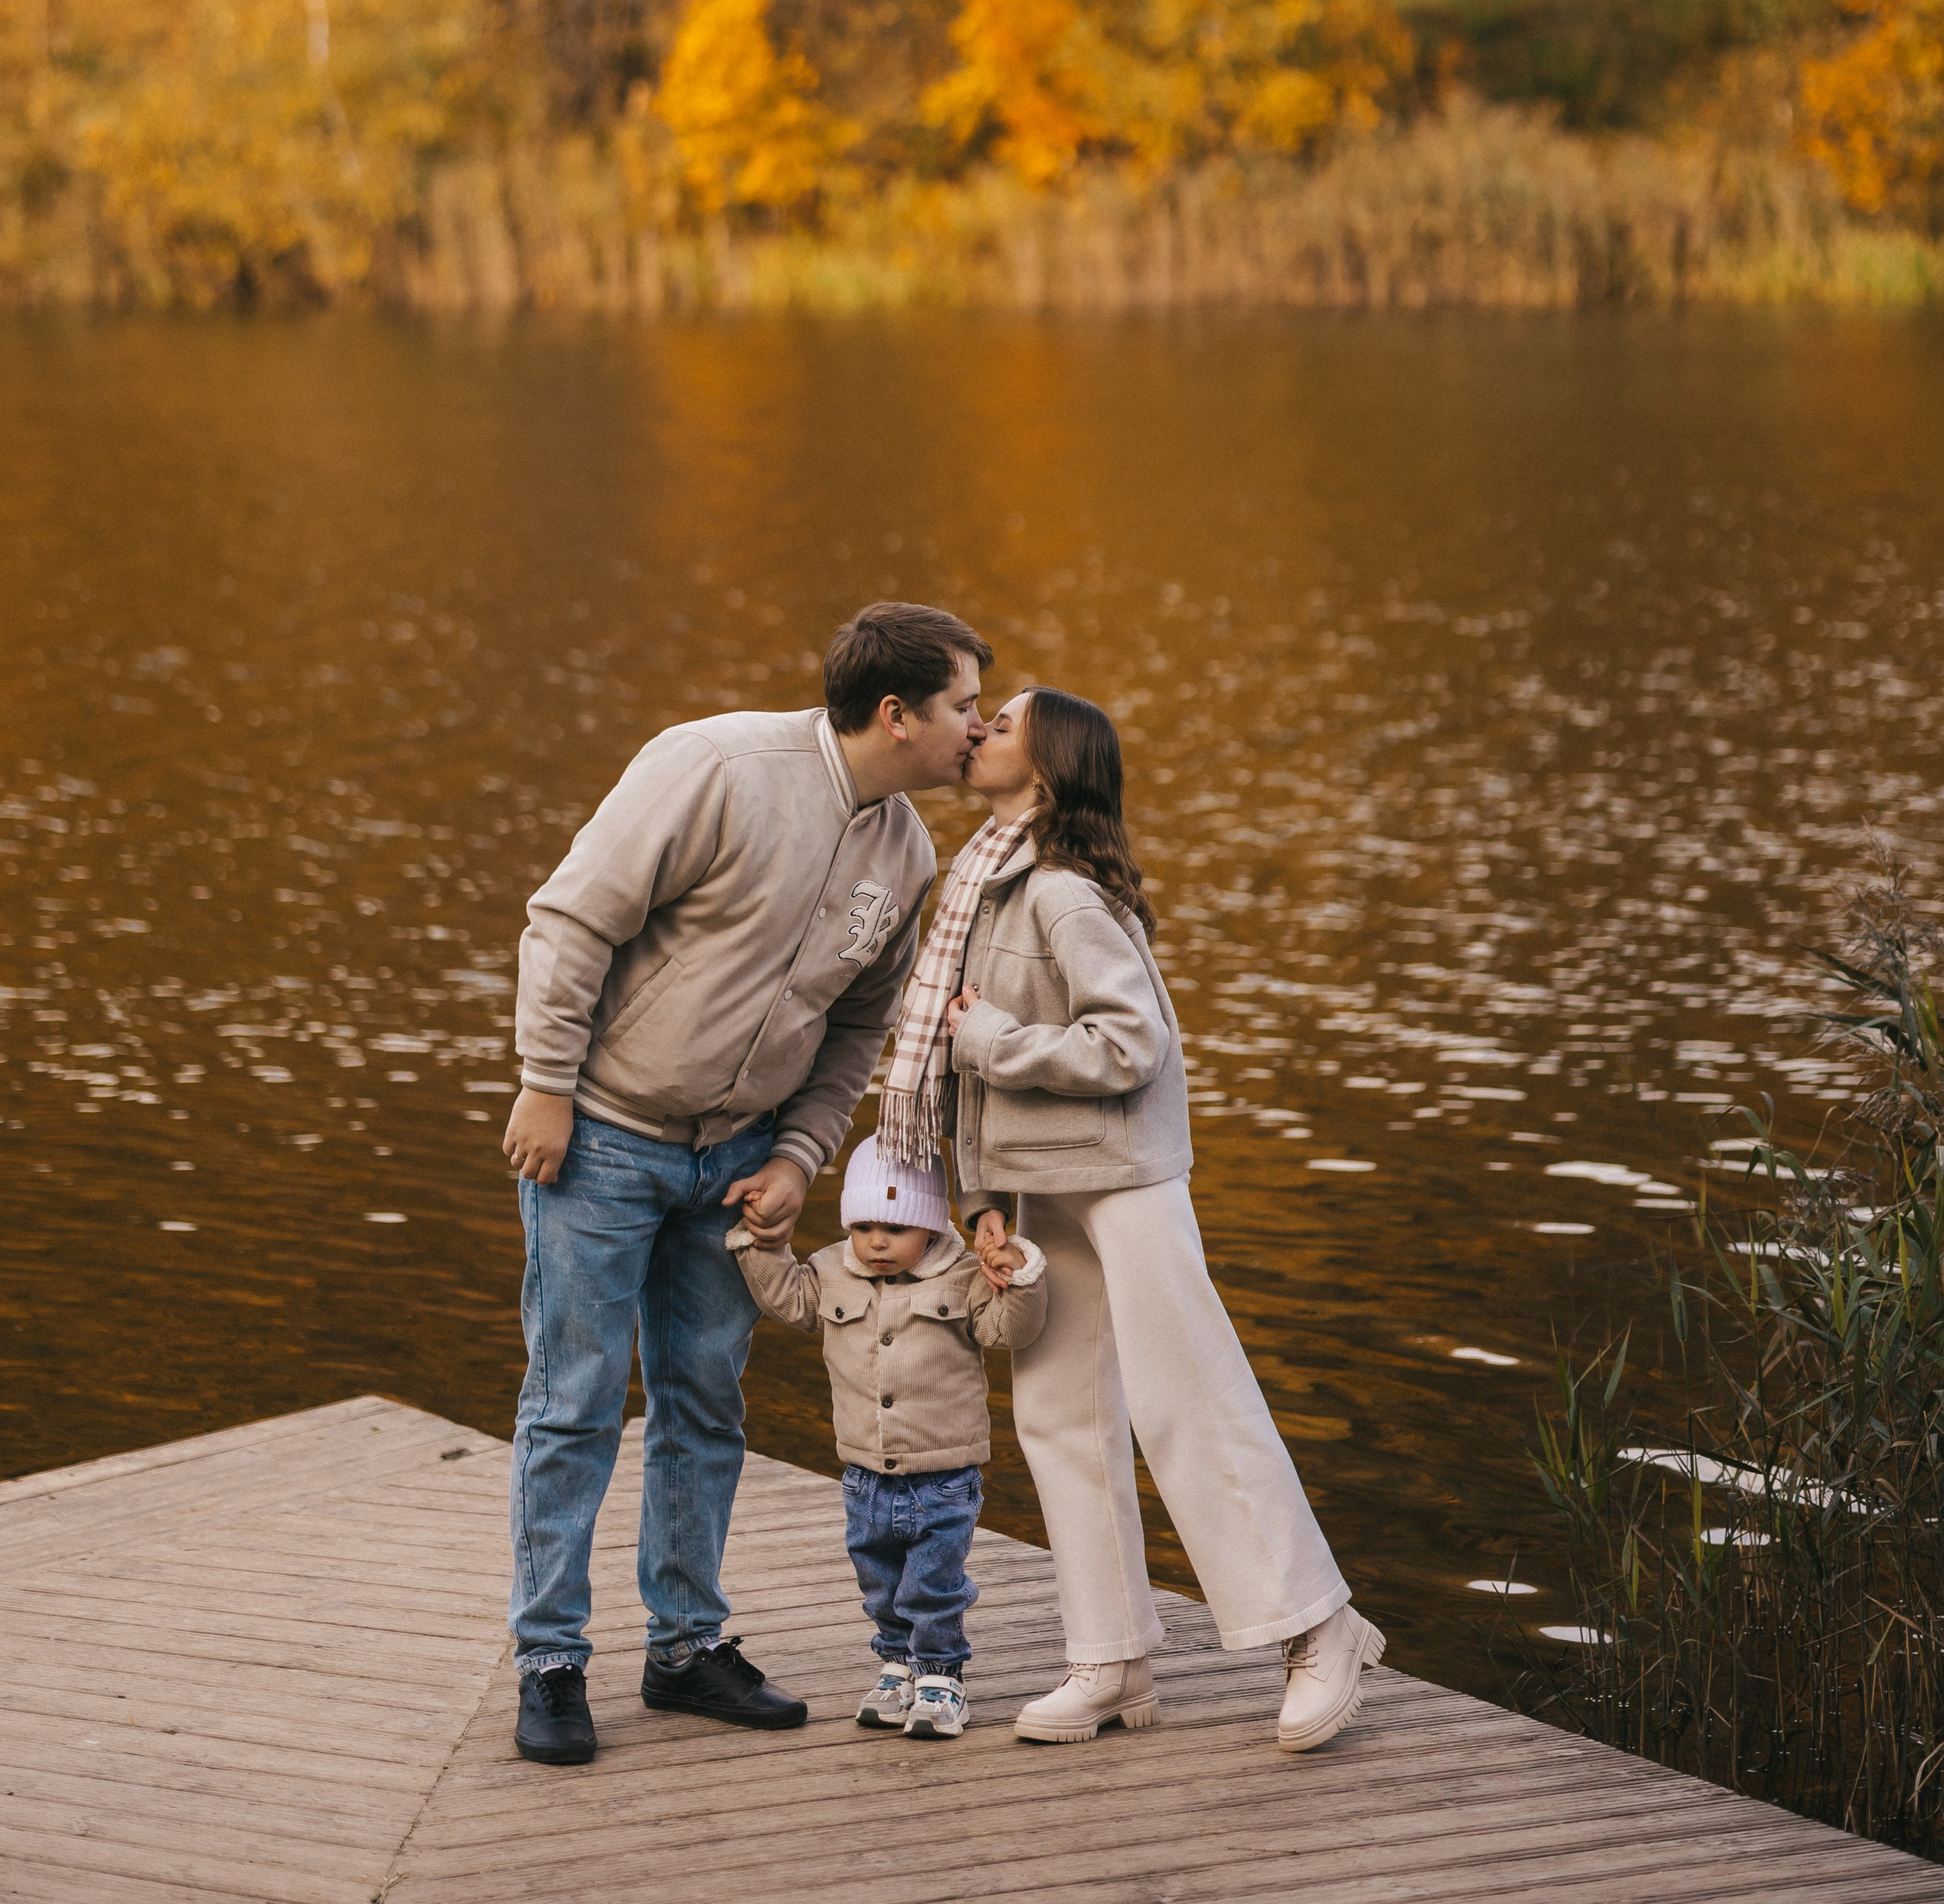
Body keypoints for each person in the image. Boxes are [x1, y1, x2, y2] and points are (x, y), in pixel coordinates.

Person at [500, 600, 991, 1767]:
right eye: (964, 707)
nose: (978, 728)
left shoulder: (906, 851)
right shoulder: (714, 766)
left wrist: (796, 1155)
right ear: (897, 714)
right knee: (573, 1404)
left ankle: (684, 1648)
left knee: (705, 1402)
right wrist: (546, 1085)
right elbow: (571, 921)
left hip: (736, 1167)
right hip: (601, 1140)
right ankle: (550, 1660)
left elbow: (858, 1029)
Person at [902, 684, 1382, 1755]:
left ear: (1048, 770)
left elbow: (1129, 1046)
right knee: (1059, 1416)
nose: (978, 732)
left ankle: (1320, 1623)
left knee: (1187, 1397)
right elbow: (961, 1067)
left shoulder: (1063, 894)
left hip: (1121, 1175)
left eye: (1003, 725)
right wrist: (981, 1203)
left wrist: (991, 1044)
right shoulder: (985, 885)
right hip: (1040, 1184)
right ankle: (1110, 1658)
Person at [729, 1134, 1048, 1739]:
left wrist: (1022, 1276)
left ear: (930, 1225)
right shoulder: (829, 1270)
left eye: (896, 1228)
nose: (877, 1241)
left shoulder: (964, 1275)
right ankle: (897, 1664)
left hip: (944, 1473)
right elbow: (788, 1300)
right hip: (864, 1472)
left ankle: (941, 1676)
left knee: (933, 1583)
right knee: (879, 1580)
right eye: (864, 1226)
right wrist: (760, 1243)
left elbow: (1009, 1332)